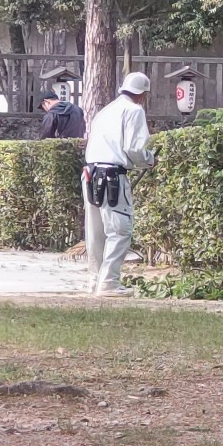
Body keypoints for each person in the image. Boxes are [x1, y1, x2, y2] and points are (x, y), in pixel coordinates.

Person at [83, 72, 155, 297]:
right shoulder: (134, 111)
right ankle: (109, 282)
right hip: (113, 176)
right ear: (143, 95)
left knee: (95, 232)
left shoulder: (106, 110)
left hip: (91, 172)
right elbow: (134, 148)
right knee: (120, 230)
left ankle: (93, 280)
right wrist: (149, 159)